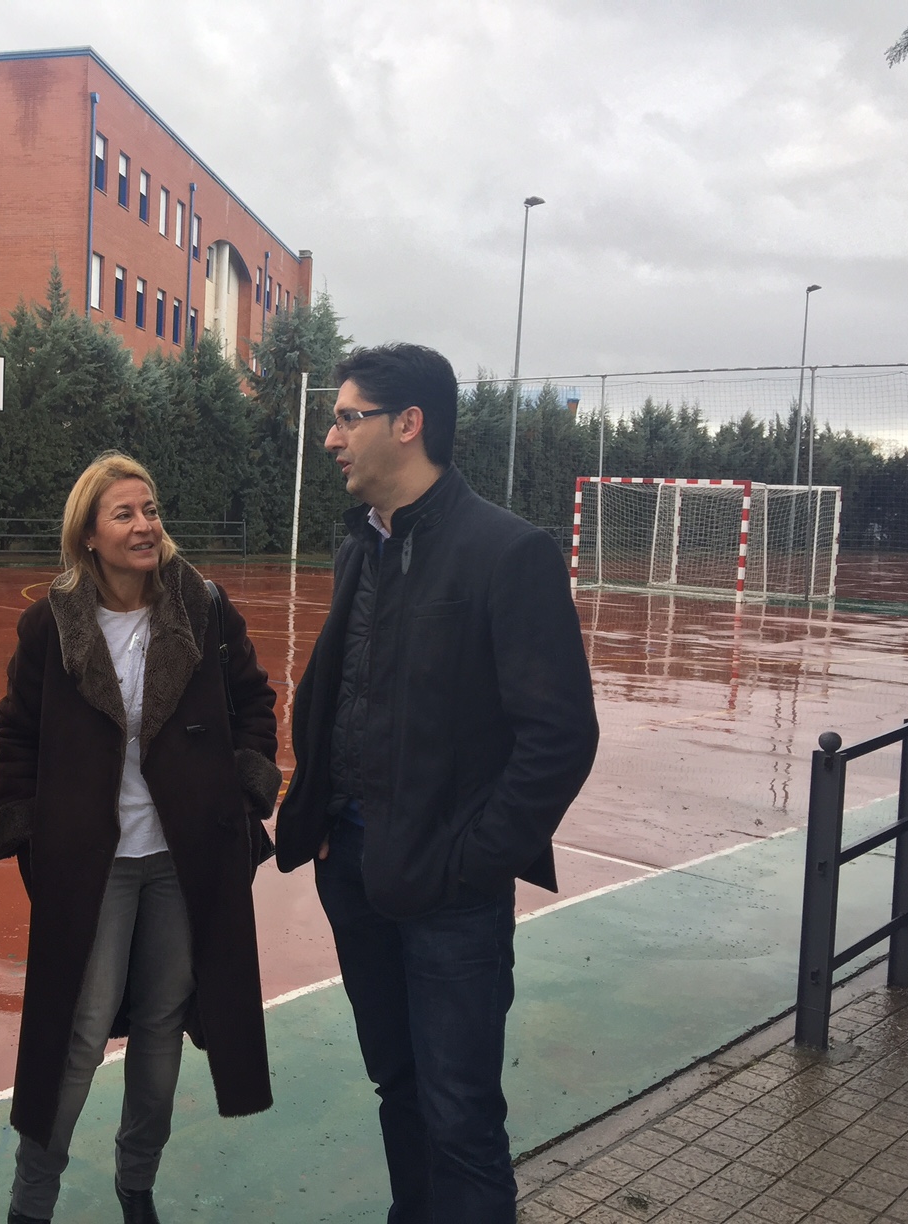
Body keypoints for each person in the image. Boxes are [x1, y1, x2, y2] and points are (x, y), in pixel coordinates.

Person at [276, 343, 599, 1222]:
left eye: (348, 418)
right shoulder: (361, 549)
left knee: (460, 1115)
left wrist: (477, 858)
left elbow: (561, 734)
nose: (333, 438)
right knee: (400, 1088)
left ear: (408, 424)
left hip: (452, 892)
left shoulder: (507, 552)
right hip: (356, 869)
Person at [0, 452, 282, 1224]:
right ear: (87, 534)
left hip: (187, 858)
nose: (145, 525)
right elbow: (17, 736)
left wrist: (247, 786)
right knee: (76, 1034)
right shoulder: (49, 622)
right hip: (93, 862)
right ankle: (32, 1200)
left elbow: (254, 700)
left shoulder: (203, 607)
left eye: (150, 509)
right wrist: (27, 831)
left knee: (163, 1024)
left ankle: (136, 1183)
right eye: (124, 513)